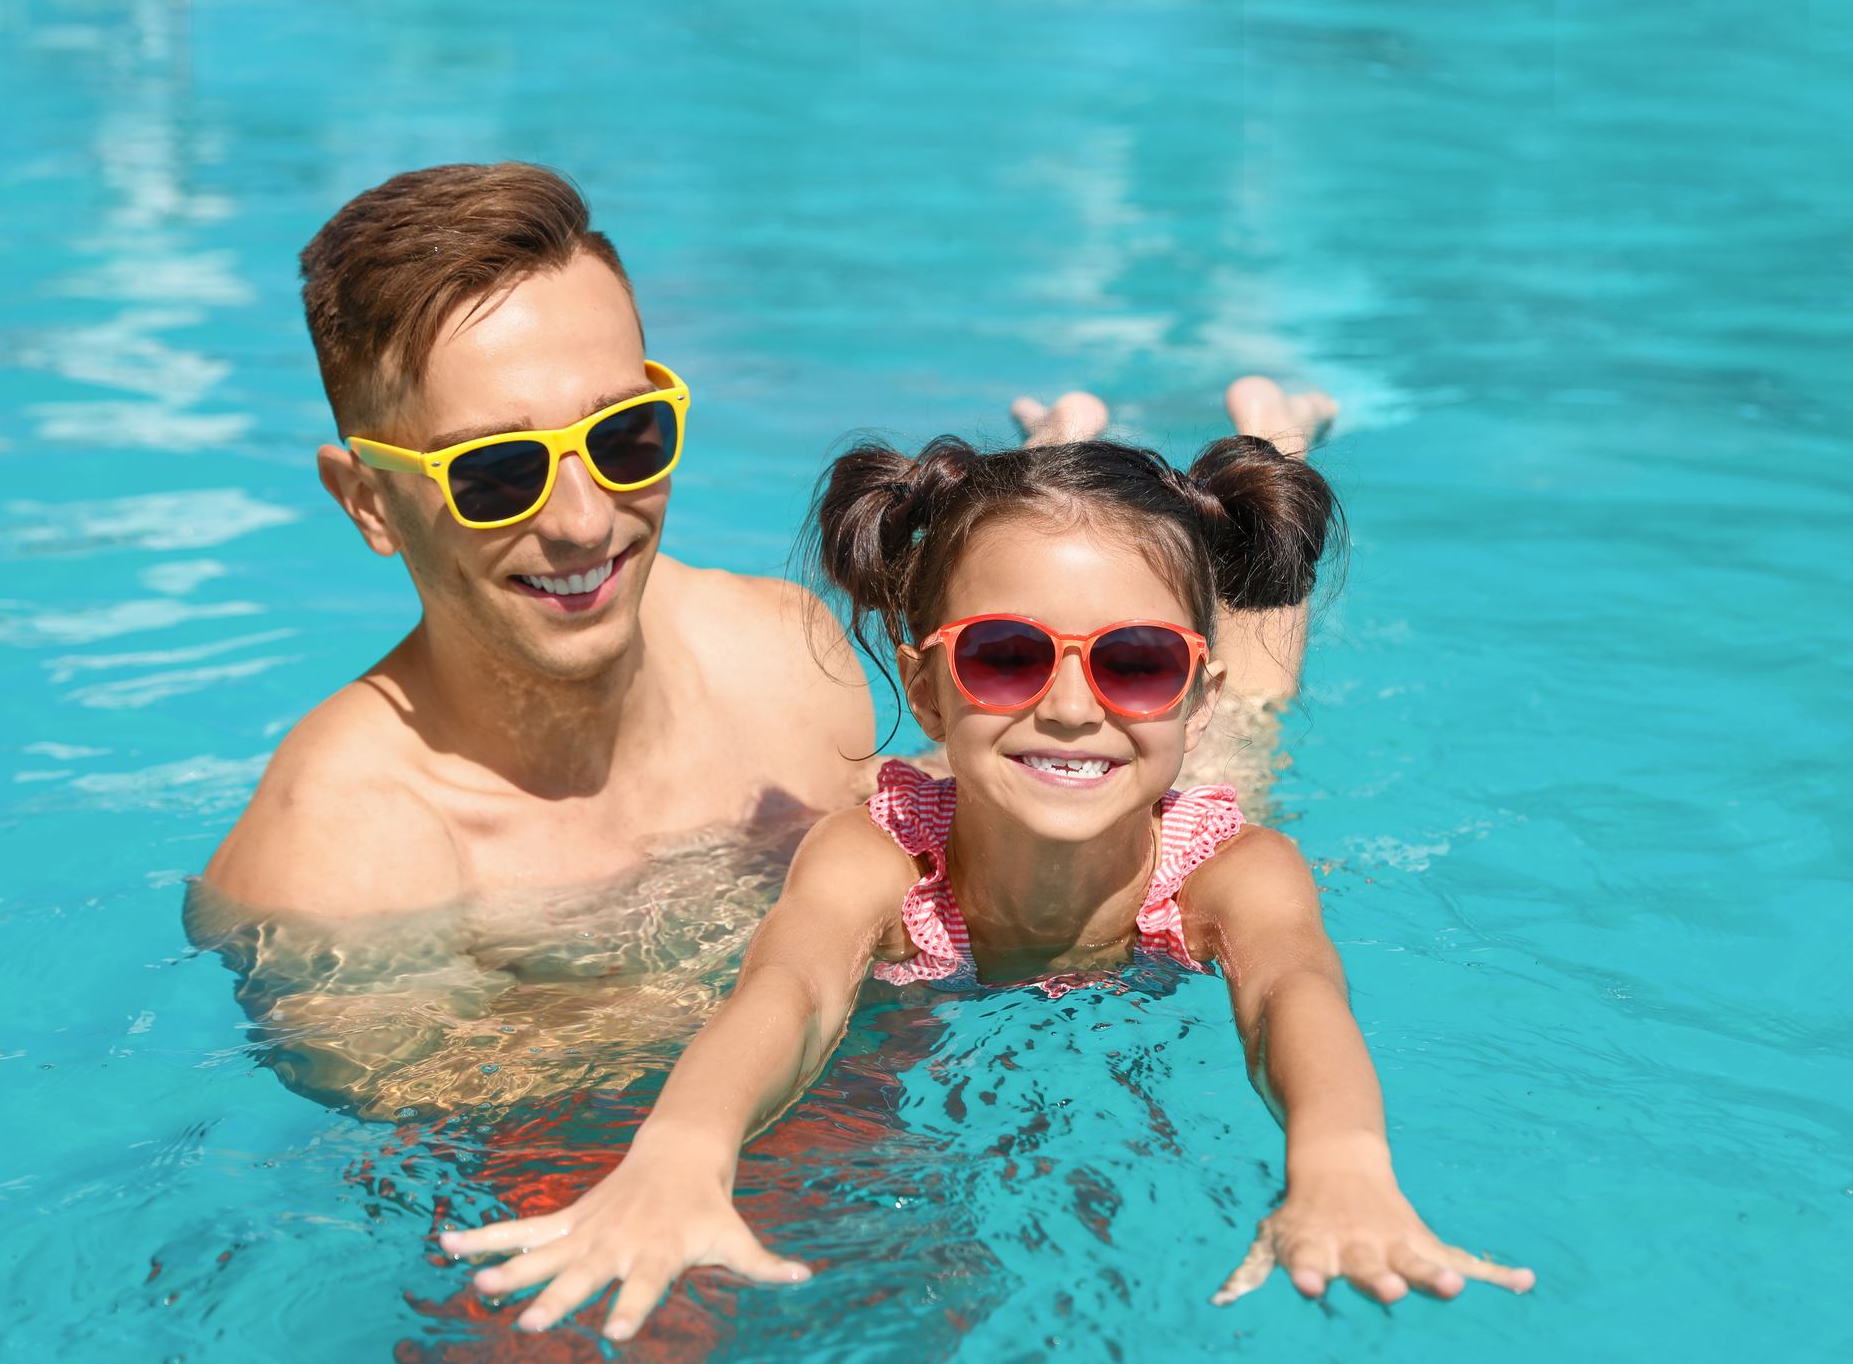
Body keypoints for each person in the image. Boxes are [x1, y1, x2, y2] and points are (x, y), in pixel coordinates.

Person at [188, 161, 1337, 1119]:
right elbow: (486, 1136)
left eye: (625, 435)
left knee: (1223, 750)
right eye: (495, 473)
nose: (585, 520)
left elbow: (1045, 785)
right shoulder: (336, 869)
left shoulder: (785, 656)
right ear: (369, 503)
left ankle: (1255, 452)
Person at [437, 428, 1534, 1334]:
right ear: (924, 683)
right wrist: (682, 1151)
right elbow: (793, 988)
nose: (1068, 702)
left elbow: (1295, 991)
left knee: (1259, 728)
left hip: (1152, 786)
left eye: (1139, 660)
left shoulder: (1226, 874)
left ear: (1183, 694)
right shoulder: (879, 856)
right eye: (1004, 654)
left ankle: (1270, 452)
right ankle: (1095, 505)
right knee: (1107, 681)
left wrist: (1340, 1163)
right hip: (1009, 785)